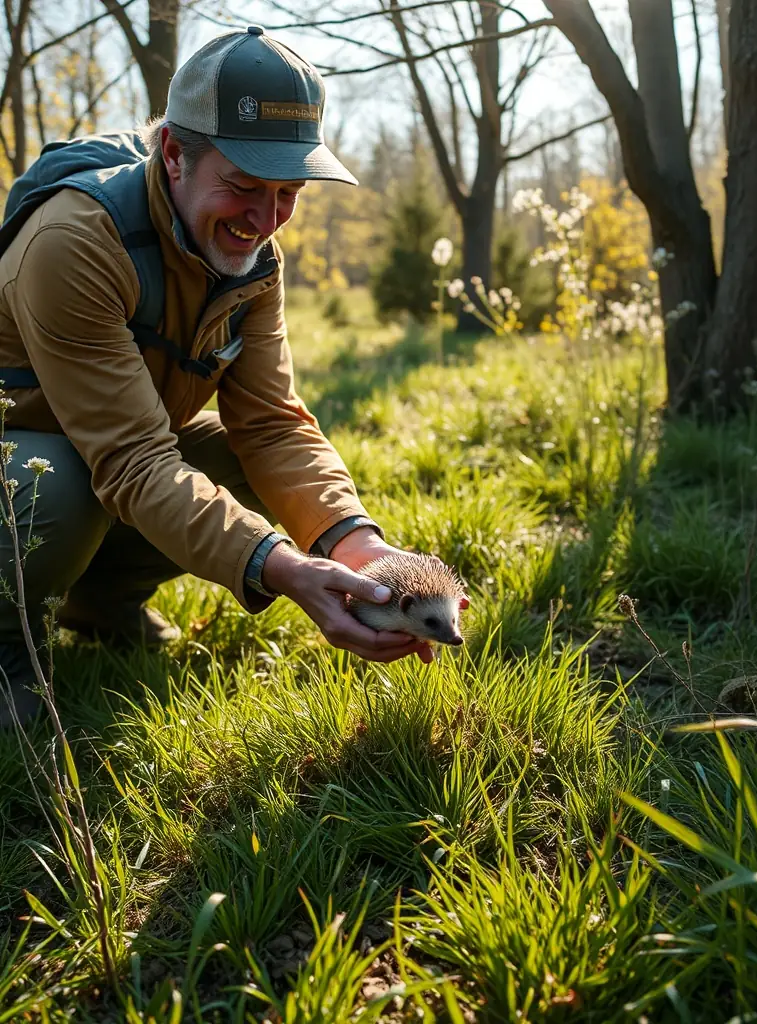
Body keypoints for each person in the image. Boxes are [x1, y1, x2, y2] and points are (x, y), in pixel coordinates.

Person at [0, 25, 458, 727]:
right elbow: (129, 459)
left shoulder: (249, 254)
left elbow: (272, 425)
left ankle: (99, 603)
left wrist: (359, 550)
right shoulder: (75, 243)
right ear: (174, 154)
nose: (265, 218)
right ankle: (9, 643)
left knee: (242, 459)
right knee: (55, 483)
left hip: (111, 457)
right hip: (26, 455)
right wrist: (280, 567)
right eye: (244, 185)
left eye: (288, 192)